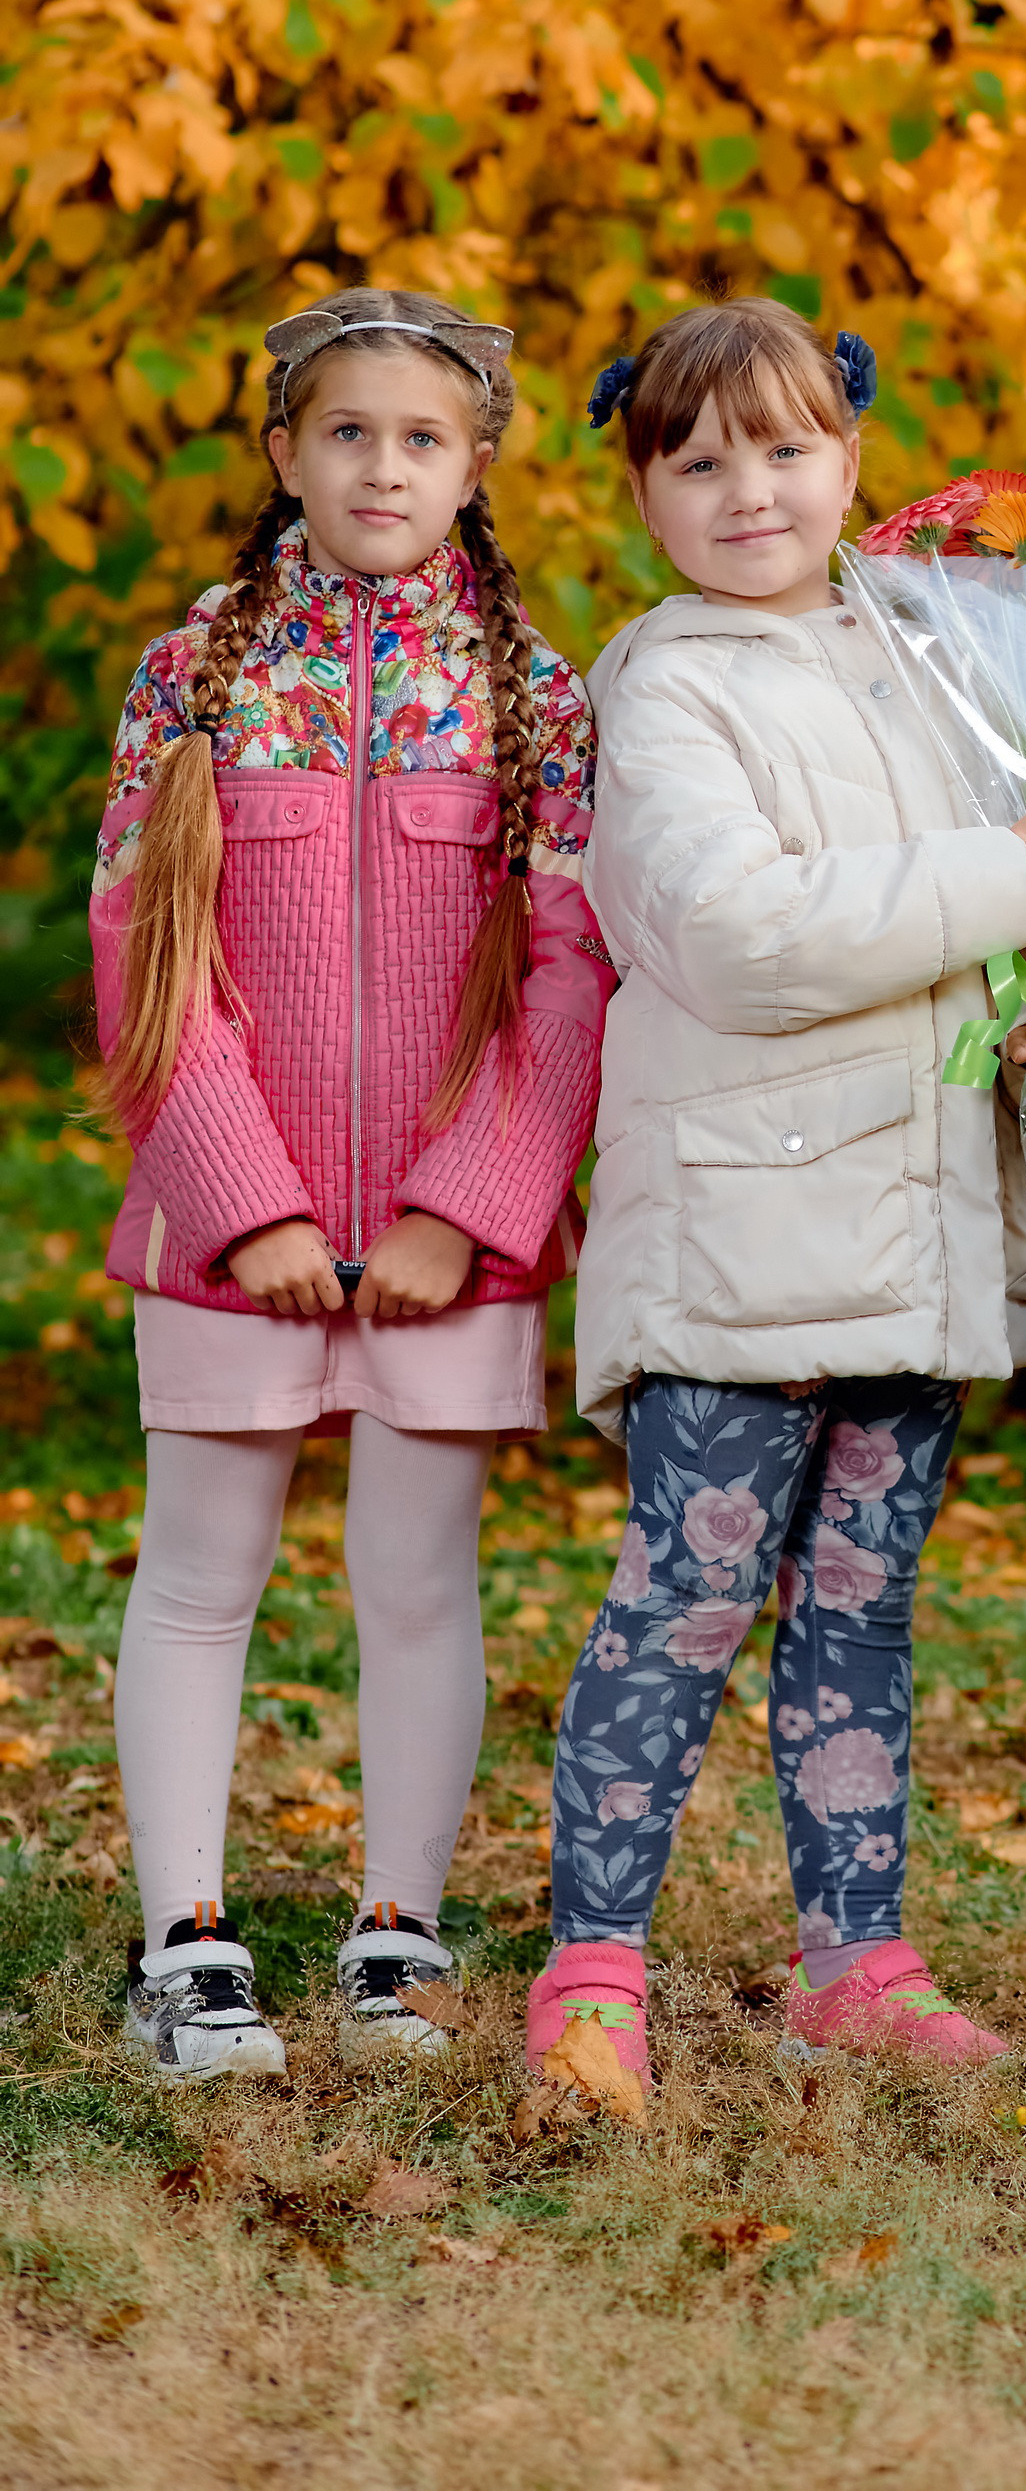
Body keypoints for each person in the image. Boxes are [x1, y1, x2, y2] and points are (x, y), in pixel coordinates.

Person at [536, 297, 1026, 2084]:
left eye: (786, 450)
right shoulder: (665, 682)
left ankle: (854, 1960)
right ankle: (593, 1972)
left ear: (851, 458)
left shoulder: (933, 652)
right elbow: (738, 938)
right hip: (745, 1230)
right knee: (688, 1596)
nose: (749, 492)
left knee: (861, 1605)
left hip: (913, 1228)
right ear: (643, 491)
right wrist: (995, 877)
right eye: (699, 462)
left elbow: (1008, 919)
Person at [93, 292, 612, 2081]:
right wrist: (242, 1200)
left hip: (442, 1247)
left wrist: (467, 1207)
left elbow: (569, 975)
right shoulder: (196, 676)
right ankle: (186, 1942)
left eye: (423, 438)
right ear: (283, 453)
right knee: (198, 1575)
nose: (383, 466)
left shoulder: (538, 696)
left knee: (416, 1580)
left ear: (478, 467)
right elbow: (145, 956)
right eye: (347, 432)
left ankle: (399, 1931)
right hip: (225, 1232)